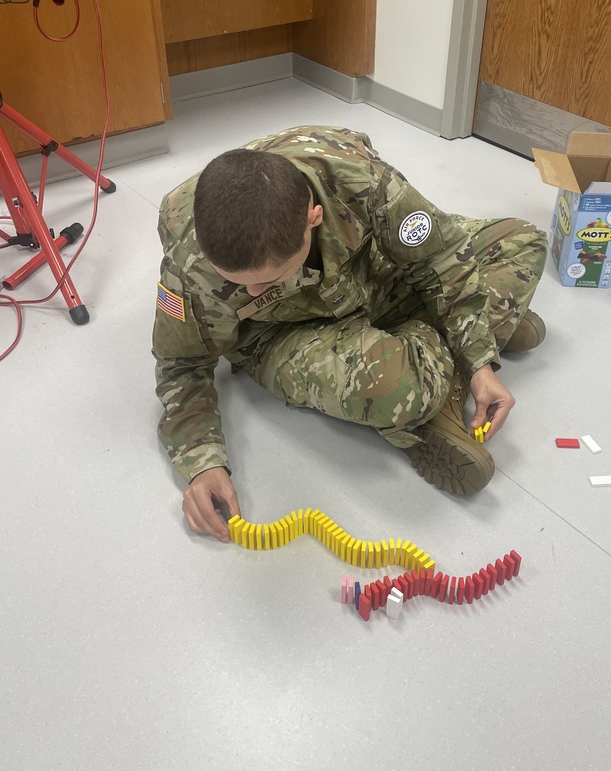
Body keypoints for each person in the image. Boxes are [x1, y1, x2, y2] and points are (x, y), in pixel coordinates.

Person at [152, 126, 547, 542]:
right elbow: (181, 364)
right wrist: (202, 463)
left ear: (313, 218)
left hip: (375, 276)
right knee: (395, 388)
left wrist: (481, 365)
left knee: (522, 242)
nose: (251, 293)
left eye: (270, 281)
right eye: (239, 283)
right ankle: (464, 328)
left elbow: (442, 255)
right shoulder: (190, 259)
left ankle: (447, 360)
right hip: (284, 332)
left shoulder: (360, 179)